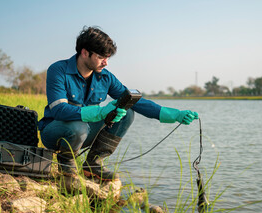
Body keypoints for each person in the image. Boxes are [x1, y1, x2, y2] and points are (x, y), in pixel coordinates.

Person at [38, 26, 198, 190]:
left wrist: (173, 114)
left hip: (84, 132)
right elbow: (59, 110)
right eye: (101, 57)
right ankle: (66, 167)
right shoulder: (58, 70)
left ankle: (93, 164)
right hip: (54, 132)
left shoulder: (105, 77)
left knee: (127, 111)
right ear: (85, 52)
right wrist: (100, 112)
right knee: (78, 126)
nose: (106, 62)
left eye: (107, 58)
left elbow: (136, 101)